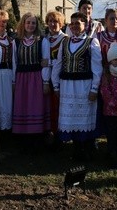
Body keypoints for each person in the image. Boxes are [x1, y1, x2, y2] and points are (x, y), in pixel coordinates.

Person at [51, 12, 102, 161]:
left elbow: (97, 68)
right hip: (67, 85)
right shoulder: (65, 42)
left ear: (85, 25)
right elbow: (58, 65)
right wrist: (56, 85)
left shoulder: (92, 42)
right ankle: (77, 149)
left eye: (77, 23)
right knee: (71, 117)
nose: (74, 26)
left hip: (84, 86)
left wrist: (94, 88)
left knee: (84, 117)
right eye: (72, 23)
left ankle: (86, 149)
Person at [12, 13, 50, 149]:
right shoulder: (16, 41)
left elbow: (46, 62)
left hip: (36, 78)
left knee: (36, 106)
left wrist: (46, 82)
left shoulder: (42, 41)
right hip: (22, 78)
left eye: (33, 23)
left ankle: (37, 140)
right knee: (22, 107)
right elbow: (14, 62)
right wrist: (13, 81)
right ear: (23, 24)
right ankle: (23, 141)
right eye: (28, 22)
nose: (30, 25)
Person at [42, 10, 67, 147]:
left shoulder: (65, 39)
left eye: (56, 21)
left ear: (61, 24)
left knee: (60, 108)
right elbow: (43, 61)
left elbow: (61, 61)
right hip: (46, 78)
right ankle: (49, 134)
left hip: (61, 79)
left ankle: (60, 136)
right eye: (50, 21)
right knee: (49, 107)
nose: (53, 24)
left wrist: (49, 63)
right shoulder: (45, 39)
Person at [0, 9, 15, 131]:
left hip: (7, 74)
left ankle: (5, 129)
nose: (1, 24)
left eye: (4, 22)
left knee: (6, 102)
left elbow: (14, 60)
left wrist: (13, 79)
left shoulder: (11, 40)